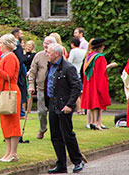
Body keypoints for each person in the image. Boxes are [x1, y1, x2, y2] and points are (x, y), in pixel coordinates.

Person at [44, 42, 84, 174]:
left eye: (49, 52)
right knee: (55, 135)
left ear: (56, 54)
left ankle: (77, 161)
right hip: (52, 103)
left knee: (67, 134)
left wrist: (69, 105)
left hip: (63, 104)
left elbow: (76, 87)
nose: (46, 54)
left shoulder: (68, 68)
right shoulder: (50, 66)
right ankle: (61, 163)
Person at [0, 33, 21, 163]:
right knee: (5, 123)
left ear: (7, 44)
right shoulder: (5, 57)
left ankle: (13, 153)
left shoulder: (11, 57)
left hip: (10, 92)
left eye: (1, 43)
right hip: (4, 91)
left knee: (13, 123)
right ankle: (8, 152)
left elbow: (8, 75)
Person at [81, 37, 116, 130]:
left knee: (92, 103)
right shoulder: (99, 57)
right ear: (100, 47)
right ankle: (97, 123)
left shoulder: (89, 56)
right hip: (97, 82)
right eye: (103, 45)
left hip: (90, 82)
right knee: (97, 102)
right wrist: (110, 66)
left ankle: (93, 122)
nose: (104, 47)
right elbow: (102, 72)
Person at [28, 36, 56, 139]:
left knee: (55, 112)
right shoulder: (39, 56)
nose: (45, 45)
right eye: (45, 43)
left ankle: (56, 131)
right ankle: (42, 129)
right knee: (41, 111)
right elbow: (32, 72)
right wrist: (31, 85)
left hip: (55, 89)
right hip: (41, 88)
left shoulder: (57, 55)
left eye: (48, 43)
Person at [10, 28, 28, 116]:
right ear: (16, 34)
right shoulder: (16, 44)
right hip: (18, 72)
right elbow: (20, 59)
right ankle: (20, 112)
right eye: (21, 33)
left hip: (18, 71)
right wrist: (26, 57)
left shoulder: (14, 44)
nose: (22, 35)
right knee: (20, 90)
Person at [67, 36, 86, 116]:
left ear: (72, 44)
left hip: (74, 72)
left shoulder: (73, 51)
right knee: (82, 92)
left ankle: (79, 109)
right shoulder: (84, 51)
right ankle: (83, 109)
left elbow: (69, 62)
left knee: (76, 92)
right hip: (81, 72)